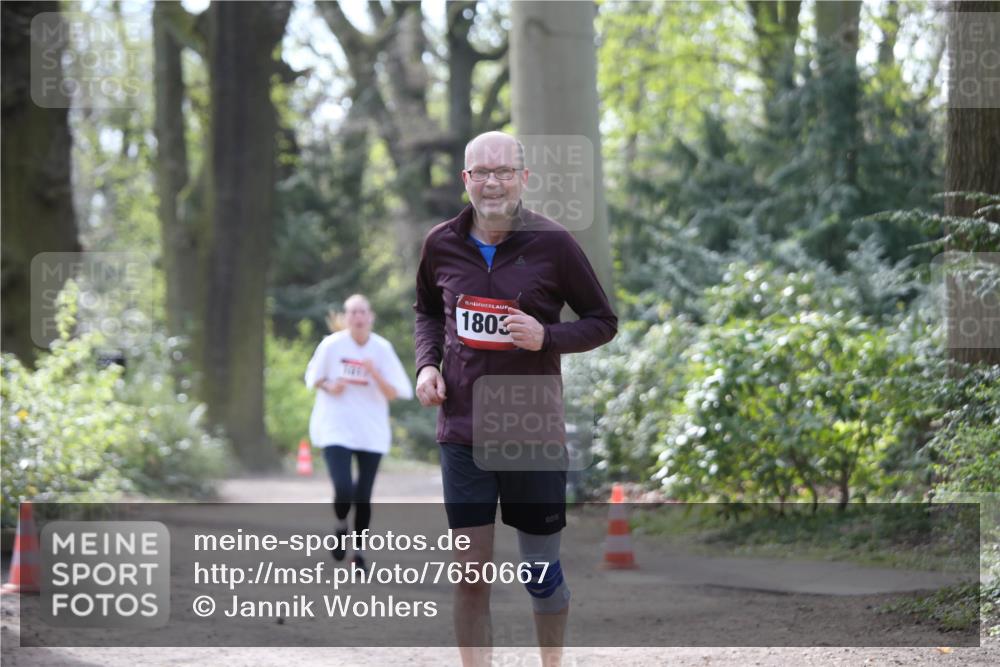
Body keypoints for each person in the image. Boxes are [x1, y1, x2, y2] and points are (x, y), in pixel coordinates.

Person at [413, 132, 617, 667]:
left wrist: (547, 336)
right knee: (470, 574)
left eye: (503, 171)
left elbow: (603, 321)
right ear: (466, 181)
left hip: (530, 430)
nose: (492, 182)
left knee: (539, 575)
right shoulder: (441, 243)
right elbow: (428, 312)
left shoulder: (554, 243)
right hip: (462, 431)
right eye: (481, 172)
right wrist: (427, 364)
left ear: (523, 179)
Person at [304, 294, 413, 572]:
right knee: (343, 488)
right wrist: (330, 385)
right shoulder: (332, 345)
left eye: (362, 312)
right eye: (352, 312)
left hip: (370, 431)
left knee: (363, 494)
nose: (358, 317)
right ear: (345, 316)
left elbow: (399, 392)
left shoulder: (382, 348)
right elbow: (312, 377)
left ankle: (360, 552)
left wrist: (374, 373)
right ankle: (341, 525)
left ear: (371, 316)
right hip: (336, 426)